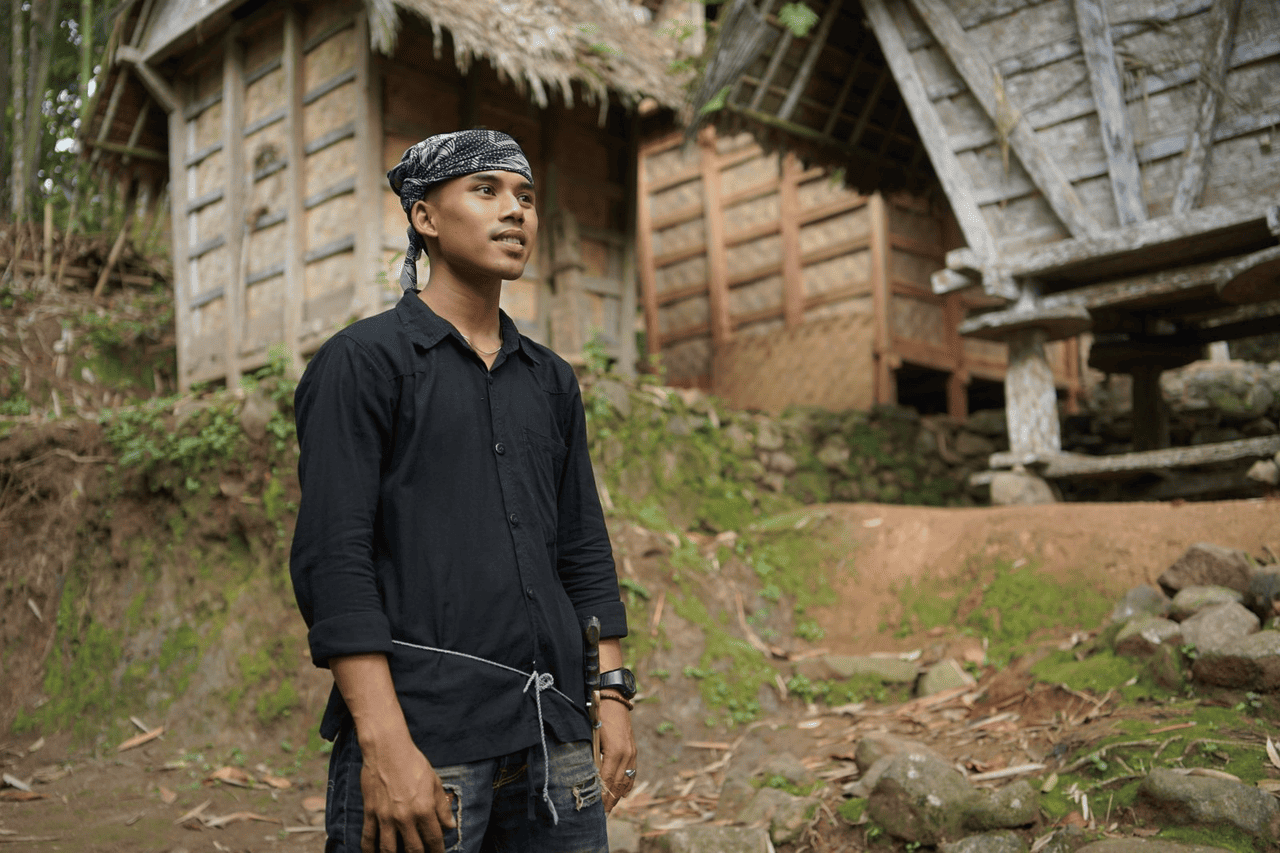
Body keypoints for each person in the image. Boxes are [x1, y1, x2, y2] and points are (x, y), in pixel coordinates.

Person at [290, 129, 638, 853]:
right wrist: (386, 747)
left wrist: (612, 694)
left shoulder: (550, 380)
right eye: (486, 190)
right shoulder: (363, 363)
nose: (515, 211)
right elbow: (335, 563)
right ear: (425, 216)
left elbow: (581, 547)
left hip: (554, 741)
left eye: (527, 198)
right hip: (426, 744)